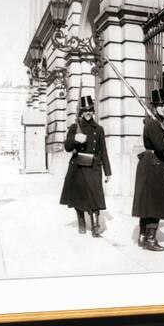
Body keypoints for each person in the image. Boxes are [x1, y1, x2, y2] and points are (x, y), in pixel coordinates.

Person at [132, 88, 164, 251]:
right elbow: (161, 146)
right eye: (160, 105)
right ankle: (150, 240)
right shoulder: (154, 124)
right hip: (153, 165)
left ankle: (142, 237)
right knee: (156, 203)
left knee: (148, 203)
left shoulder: (154, 122)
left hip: (151, 164)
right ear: (154, 107)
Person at [60, 96, 112, 237]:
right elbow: (67, 146)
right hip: (78, 166)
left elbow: (104, 151)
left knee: (95, 196)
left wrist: (108, 171)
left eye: (90, 110)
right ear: (81, 112)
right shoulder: (75, 127)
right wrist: (75, 139)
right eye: (85, 110)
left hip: (94, 165)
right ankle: (81, 220)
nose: (88, 113)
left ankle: (95, 225)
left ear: (93, 111)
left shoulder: (99, 129)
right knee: (79, 197)